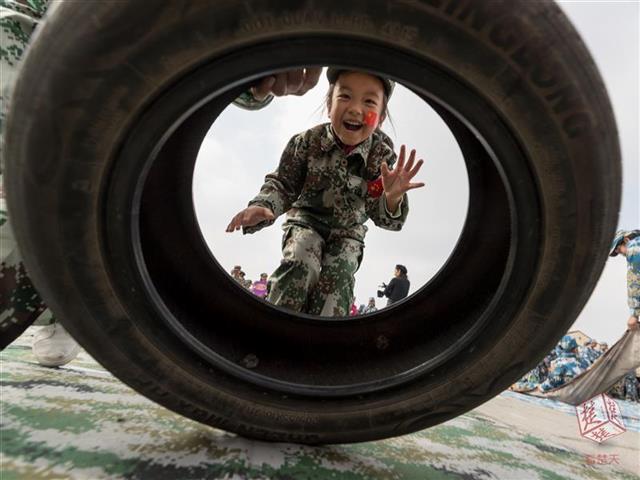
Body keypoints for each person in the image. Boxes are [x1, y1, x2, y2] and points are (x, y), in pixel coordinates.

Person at [0, 0, 322, 363]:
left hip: (128, 70)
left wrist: (268, 50)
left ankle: (62, 301)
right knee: (33, 176)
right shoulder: (307, 144)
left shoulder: (377, 151)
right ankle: (59, 298)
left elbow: (203, 55)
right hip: (35, 29)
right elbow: (283, 179)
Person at [226, 68, 425, 316]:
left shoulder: (380, 157)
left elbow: (380, 213)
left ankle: (324, 344)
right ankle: (277, 331)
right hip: (306, 221)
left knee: (338, 279)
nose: (355, 109)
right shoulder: (307, 142)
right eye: (345, 97)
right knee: (301, 260)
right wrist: (264, 205)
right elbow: (283, 184)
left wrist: (392, 198)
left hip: (348, 233)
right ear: (329, 103)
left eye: (369, 101)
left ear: (381, 116)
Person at [609, 229, 640, 331]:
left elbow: (634, 280)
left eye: (618, 249)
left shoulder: (634, 247)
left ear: (626, 240)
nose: (619, 253)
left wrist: (634, 314)